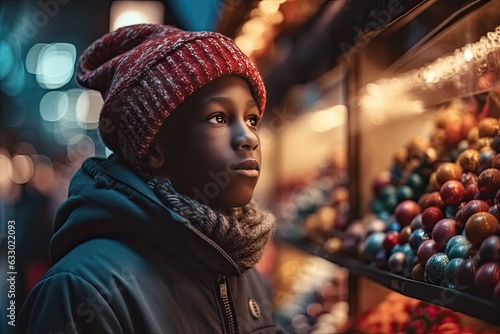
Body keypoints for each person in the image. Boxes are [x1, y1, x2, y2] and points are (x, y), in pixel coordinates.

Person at [17, 24, 281, 333]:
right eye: (218, 118)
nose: (248, 137)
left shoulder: (240, 269)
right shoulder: (82, 291)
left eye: (252, 119)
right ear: (154, 148)